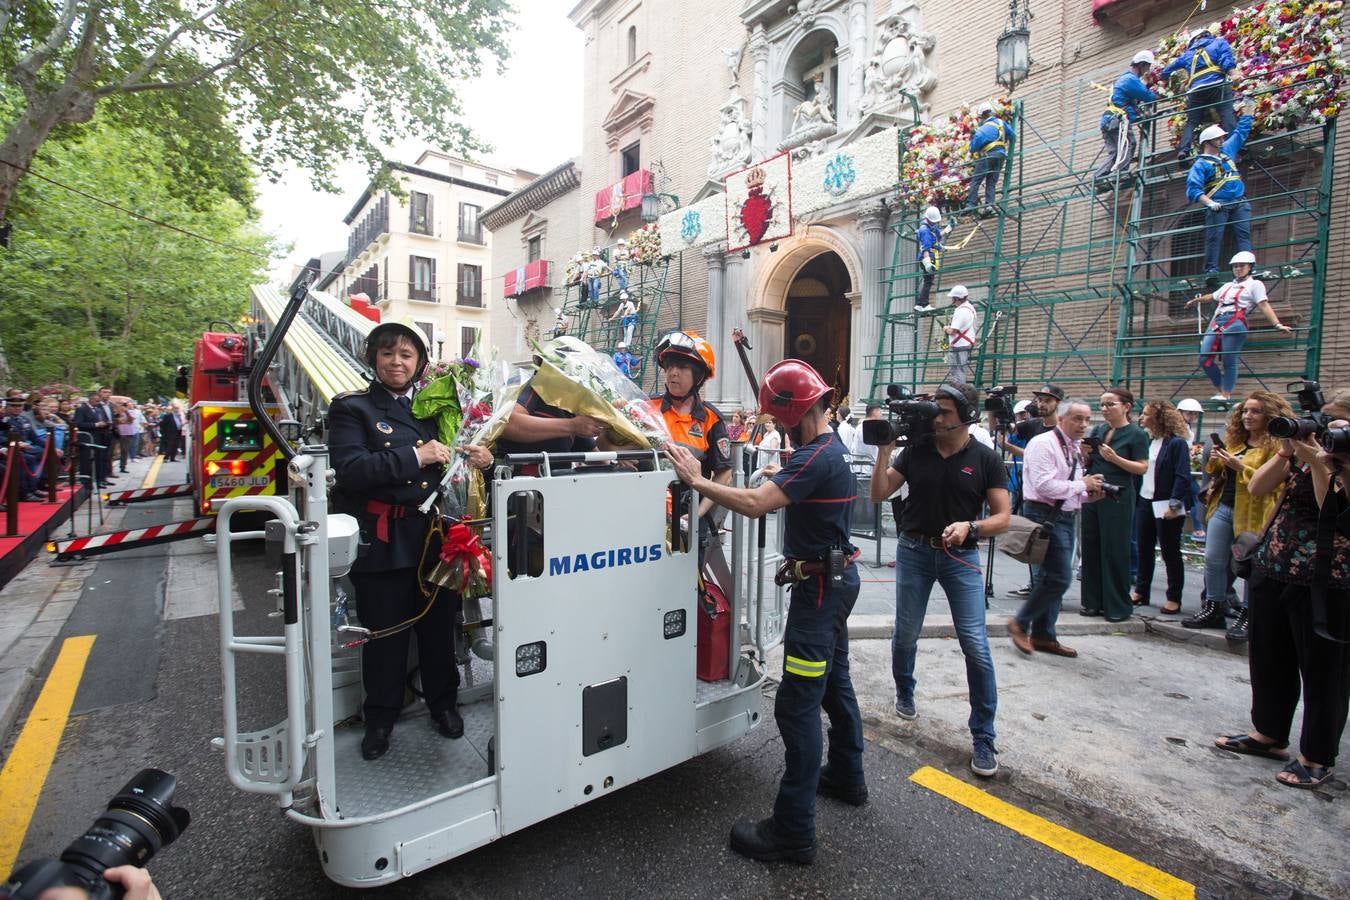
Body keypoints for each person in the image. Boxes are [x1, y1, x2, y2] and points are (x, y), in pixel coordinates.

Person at [667, 359, 861, 863]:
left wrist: (696, 479)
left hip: (818, 595)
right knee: (836, 683)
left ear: (796, 413)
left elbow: (754, 504)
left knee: (797, 705)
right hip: (838, 583)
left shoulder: (814, 459)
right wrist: (785, 473)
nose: (776, 427)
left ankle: (793, 832)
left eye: (778, 420)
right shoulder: (827, 448)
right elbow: (803, 478)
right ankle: (847, 774)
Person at [329, 321, 493, 761]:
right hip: (383, 541)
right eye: (388, 353)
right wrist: (414, 456)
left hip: (435, 537)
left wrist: (484, 458)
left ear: (419, 363)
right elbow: (351, 470)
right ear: (374, 359)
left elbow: (459, 462)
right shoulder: (353, 408)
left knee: (440, 629)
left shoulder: (432, 407)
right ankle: (380, 717)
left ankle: (444, 704)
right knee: (385, 636)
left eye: (406, 354)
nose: (397, 362)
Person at [869, 382, 1010, 776]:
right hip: (913, 552)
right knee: (906, 633)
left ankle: (983, 736)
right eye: (934, 410)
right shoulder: (916, 450)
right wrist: (884, 452)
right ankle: (905, 690)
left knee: (976, 646)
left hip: (960, 557)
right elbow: (879, 494)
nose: (936, 418)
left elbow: (1003, 518)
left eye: (944, 411)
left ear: (966, 415)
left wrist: (971, 527)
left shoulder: (985, 459)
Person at [1214, 390, 1350, 788]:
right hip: (1274, 569)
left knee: (1324, 670)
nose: (1330, 430)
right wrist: (1292, 452)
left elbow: (1336, 513)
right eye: (1328, 421)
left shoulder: (1339, 463)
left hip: (1326, 581)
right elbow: (1258, 488)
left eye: (1340, 422)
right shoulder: (1309, 455)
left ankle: (1316, 757)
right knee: (1269, 657)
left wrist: (1321, 464)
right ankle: (1268, 734)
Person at [1183, 390, 1292, 640]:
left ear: (1270, 416)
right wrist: (1216, 460)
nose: (1247, 416)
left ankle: (1248, 614)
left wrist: (1240, 466)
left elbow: (1276, 483)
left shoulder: (1278, 446)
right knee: (1213, 560)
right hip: (1224, 506)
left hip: (1256, 512)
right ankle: (1214, 606)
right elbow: (1216, 472)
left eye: (1255, 411)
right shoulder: (1236, 440)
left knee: (1249, 565)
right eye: (1245, 410)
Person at [1008, 399, 1105, 658]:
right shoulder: (1044, 444)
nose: (1083, 425)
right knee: (1060, 577)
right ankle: (1021, 622)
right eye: (1077, 418)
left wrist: (1088, 494)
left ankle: (1043, 635)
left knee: (1052, 578)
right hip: (1044, 515)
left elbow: (1067, 488)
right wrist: (1082, 485)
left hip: (1064, 514)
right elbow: (1044, 486)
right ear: (1062, 419)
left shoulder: (1072, 447)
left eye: (1087, 419)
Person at [645, 331, 732, 556]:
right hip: (645, 515)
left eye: (682, 367)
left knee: (690, 587)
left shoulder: (712, 419)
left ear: (699, 375)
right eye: (670, 365)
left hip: (689, 520)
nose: (673, 372)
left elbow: (723, 474)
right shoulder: (647, 408)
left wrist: (698, 513)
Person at [1185, 250, 1292, 401]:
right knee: (1204, 358)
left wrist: (1277, 324)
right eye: (1235, 266)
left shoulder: (1255, 284)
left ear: (1250, 267)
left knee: (1229, 359)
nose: (1238, 269)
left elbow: (1263, 305)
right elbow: (1213, 296)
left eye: (1241, 266)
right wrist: (1196, 300)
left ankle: (1225, 393)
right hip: (1217, 321)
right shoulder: (1228, 285)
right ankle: (1221, 388)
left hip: (1235, 322)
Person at [1080, 388, 1148, 621]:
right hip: (1094, 489)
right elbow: (1090, 461)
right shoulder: (1099, 430)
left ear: (1126, 406)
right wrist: (1085, 453)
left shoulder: (1136, 434)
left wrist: (1115, 458)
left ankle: (1117, 605)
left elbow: (1142, 467)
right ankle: (1092, 601)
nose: (1105, 409)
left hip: (1118, 492)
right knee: (1091, 544)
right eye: (1102, 405)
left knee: (1115, 548)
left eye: (1110, 404)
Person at [1133, 401, 1196, 614]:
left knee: (1170, 551)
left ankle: (1174, 597)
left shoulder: (1176, 443)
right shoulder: (1150, 440)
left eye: (1146, 414)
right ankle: (1141, 590)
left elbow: (1182, 475)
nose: (1142, 417)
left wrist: (1174, 503)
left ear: (1159, 418)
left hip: (1166, 502)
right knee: (1144, 547)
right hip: (1145, 500)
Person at [1184, 100, 1255, 277]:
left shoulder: (1227, 151)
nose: (1222, 140)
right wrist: (1209, 203)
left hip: (1239, 202)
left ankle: (1250, 268)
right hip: (1219, 203)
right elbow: (1193, 189)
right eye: (1218, 138)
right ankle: (1211, 270)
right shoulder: (1200, 165)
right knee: (1214, 237)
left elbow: (1240, 133)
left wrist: (1248, 111)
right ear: (1208, 142)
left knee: (1243, 236)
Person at [1160, 29, 1238, 162]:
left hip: (1195, 91)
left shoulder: (1187, 54)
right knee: (1226, 112)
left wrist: (1163, 79)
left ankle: (1184, 150)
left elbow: (1167, 70)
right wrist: (1234, 74)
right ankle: (1236, 145)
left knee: (1192, 122)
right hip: (1217, 85)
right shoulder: (1218, 43)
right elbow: (1226, 59)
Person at [1094, 49, 1157, 188]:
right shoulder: (1130, 79)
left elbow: (1129, 104)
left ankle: (1099, 177)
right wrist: (1157, 89)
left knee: (1115, 151)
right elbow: (1148, 96)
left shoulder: (1124, 79)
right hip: (1117, 121)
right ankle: (1118, 175)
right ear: (1141, 65)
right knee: (1129, 144)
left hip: (1109, 121)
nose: (1147, 70)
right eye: (1147, 66)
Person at [964, 102, 1013, 215]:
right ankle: (989, 206)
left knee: (976, 180)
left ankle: (971, 204)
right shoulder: (1001, 123)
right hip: (1000, 156)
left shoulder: (981, 130)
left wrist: (972, 140)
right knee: (991, 182)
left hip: (988, 157)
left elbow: (973, 148)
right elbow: (1012, 135)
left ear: (982, 117)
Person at [1178, 397, 1207, 539]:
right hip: (1179, 469)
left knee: (1188, 497)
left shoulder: (1188, 428)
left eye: (1195, 414)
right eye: (1190, 413)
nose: (1193, 416)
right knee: (1196, 496)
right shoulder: (1179, 429)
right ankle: (1198, 529)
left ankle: (1195, 528)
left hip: (1184, 468)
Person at [73, 388, 113, 487]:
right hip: (88, 438)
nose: (98, 403)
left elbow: (104, 419)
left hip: (100, 436)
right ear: (90, 400)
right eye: (96, 401)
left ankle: (100, 480)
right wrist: (95, 424)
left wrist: (106, 423)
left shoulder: (99, 409)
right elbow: (78, 423)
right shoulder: (81, 409)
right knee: (87, 460)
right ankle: (86, 481)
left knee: (100, 459)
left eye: (99, 401)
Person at [914, 206, 949, 312]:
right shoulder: (925, 230)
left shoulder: (932, 227)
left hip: (930, 256)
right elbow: (926, 248)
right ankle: (923, 304)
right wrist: (928, 263)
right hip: (927, 257)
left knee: (928, 280)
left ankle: (921, 304)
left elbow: (937, 237)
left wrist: (948, 229)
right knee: (928, 281)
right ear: (928, 219)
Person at [942, 285, 977, 385]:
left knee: (957, 371)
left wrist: (945, 328)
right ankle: (959, 389)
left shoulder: (961, 311)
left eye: (952, 298)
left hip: (959, 345)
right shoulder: (970, 308)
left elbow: (953, 331)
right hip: (965, 343)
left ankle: (959, 390)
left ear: (956, 298)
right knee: (960, 369)